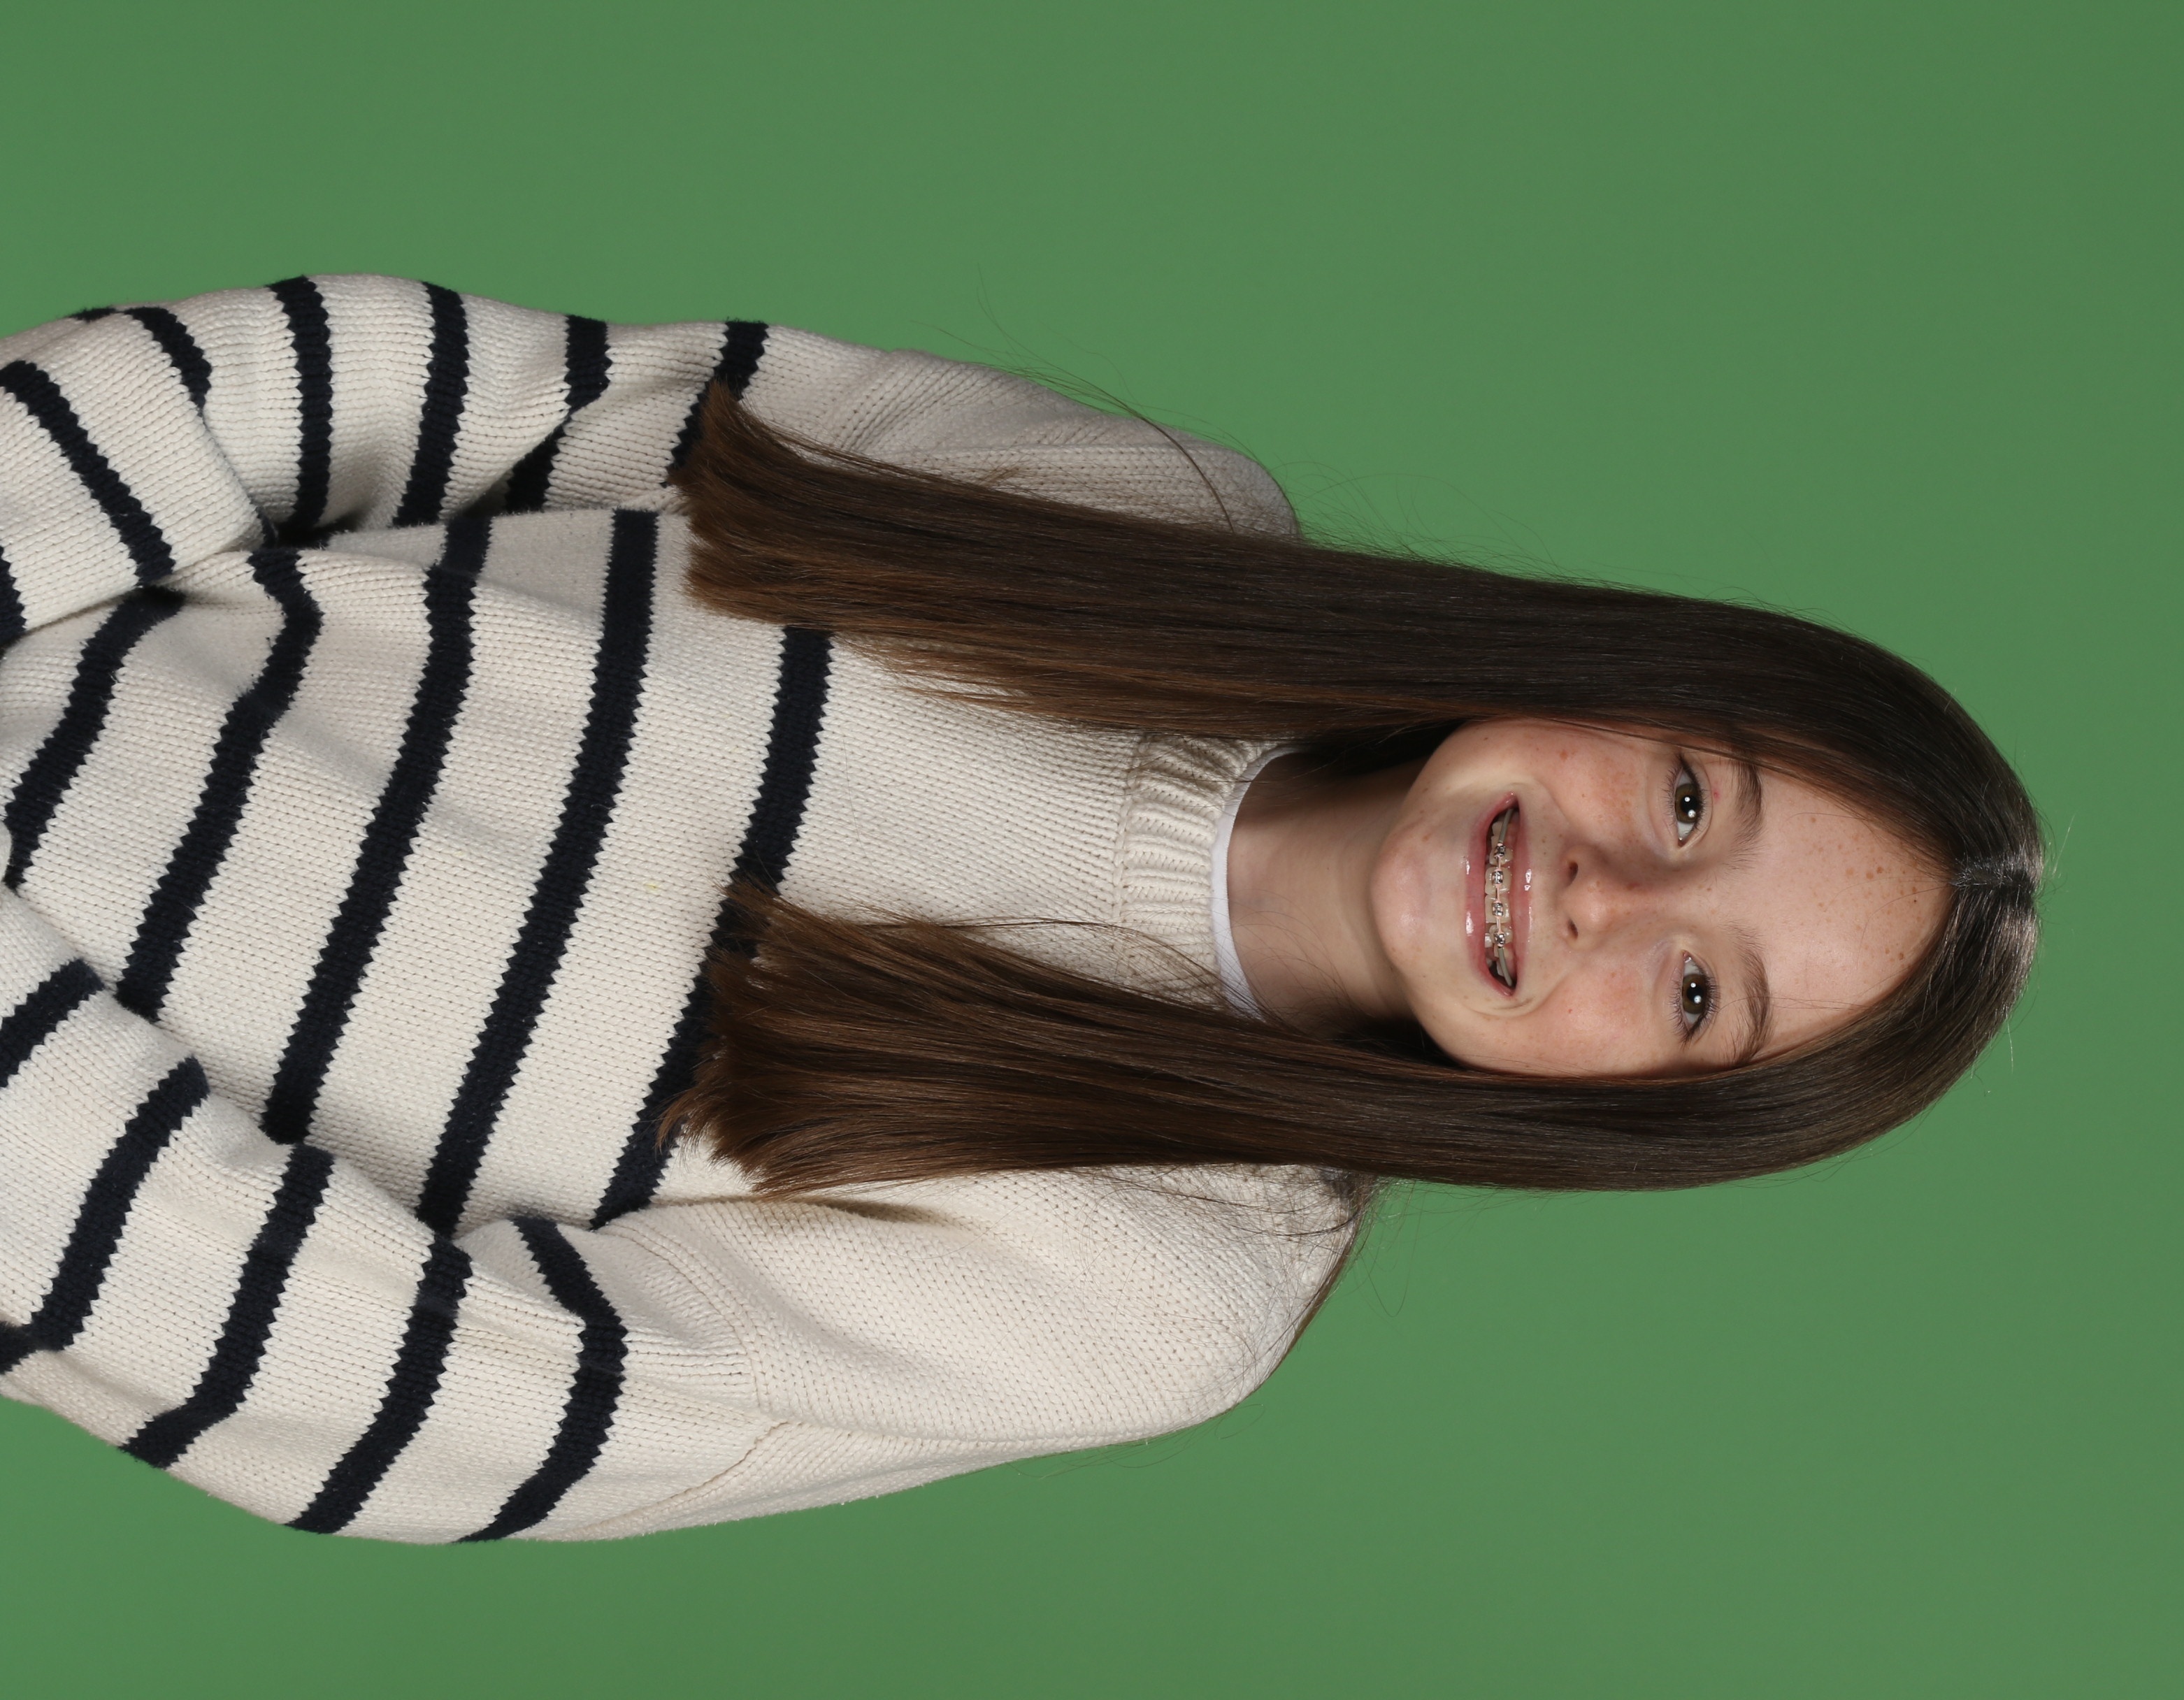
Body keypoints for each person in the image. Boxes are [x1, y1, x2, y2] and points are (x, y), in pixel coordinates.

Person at [0, 277, 2039, 1542]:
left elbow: (421, 1387)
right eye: (1689, 798)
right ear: (1634, 675)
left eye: (1695, 995)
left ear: (1644, 1112)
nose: (1613, 896)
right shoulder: (1146, 511)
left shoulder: (1159, 1290)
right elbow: (480, 401)